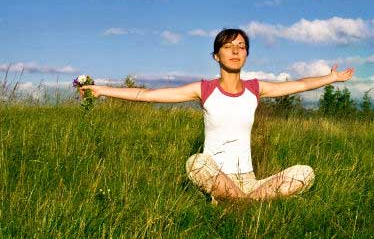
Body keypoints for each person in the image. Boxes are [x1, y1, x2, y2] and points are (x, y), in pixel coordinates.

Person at [79, 28, 354, 202]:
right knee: (195, 163)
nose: (236, 51)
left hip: (250, 179)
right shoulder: (204, 89)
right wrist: (102, 90)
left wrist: (330, 78)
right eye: (228, 46)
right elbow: (147, 95)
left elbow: (298, 85)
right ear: (216, 56)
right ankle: (250, 202)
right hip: (216, 176)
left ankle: (240, 202)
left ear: (246, 56)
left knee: (305, 173)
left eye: (241, 47)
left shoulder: (256, 89)